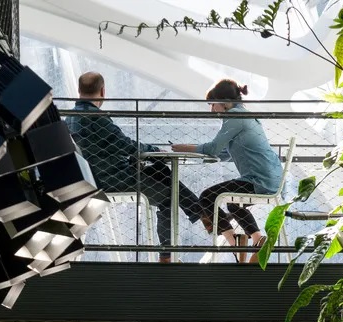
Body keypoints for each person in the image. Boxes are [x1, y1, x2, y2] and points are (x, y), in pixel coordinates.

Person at [67, 72, 203, 262]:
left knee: (161, 171)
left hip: (91, 179)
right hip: (115, 180)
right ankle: (168, 254)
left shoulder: (69, 119)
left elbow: (105, 149)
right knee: (168, 199)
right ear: (103, 91)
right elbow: (125, 145)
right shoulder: (97, 118)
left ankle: (201, 214)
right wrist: (154, 150)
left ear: (79, 90)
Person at [169, 79, 283, 264]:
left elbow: (213, 148)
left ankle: (236, 244)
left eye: (212, 104)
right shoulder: (244, 116)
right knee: (232, 203)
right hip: (271, 177)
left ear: (224, 102)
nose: (211, 110)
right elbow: (223, 153)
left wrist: (185, 148)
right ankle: (257, 240)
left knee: (207, 197)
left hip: (259, 179)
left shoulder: (234, 118)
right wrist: (205, 154)